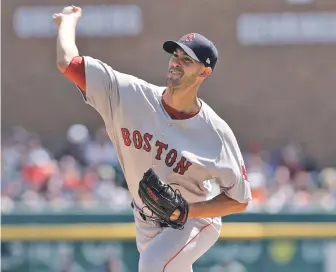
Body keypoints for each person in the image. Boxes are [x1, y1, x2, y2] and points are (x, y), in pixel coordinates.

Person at [53, 6, 252, 272]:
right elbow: (68, 62)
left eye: (187, 59)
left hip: (194, 221)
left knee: (153, 265)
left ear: (204, 73)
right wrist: (67, 22)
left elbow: (240, 200)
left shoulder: (216, 132)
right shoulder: (130, 95)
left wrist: (187, 212)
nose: (176, 62)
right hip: (145, 220)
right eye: (175, 54)